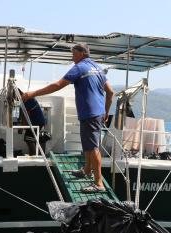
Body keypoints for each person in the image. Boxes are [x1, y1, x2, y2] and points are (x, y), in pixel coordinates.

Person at [22, 43, 114, 192]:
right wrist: (105, 112)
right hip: (96, 113)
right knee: (88, 145)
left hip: (90, 113)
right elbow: (110, 92)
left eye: (73, 53)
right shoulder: (97, 68)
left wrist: (32, 94)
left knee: (93, 147)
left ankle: (99, 184)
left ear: (82, 53)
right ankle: (86, 170)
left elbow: (58, 85)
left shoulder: (80, 67)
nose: (72, 57)